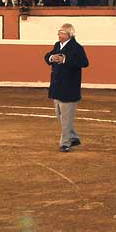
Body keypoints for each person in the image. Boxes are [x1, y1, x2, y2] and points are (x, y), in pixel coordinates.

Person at [44, 23, 89, 152]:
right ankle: (73, 137)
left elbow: (84, 63)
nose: (58, 35)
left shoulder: (77, 48)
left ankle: (65, 143)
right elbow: (48, 56)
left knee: (65, 118)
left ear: (68, 34)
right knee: (60, 116)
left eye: (61, 33)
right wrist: (52, 57)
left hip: (69, 88)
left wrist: (65, 60)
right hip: (57, 86)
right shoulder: (58, 45)